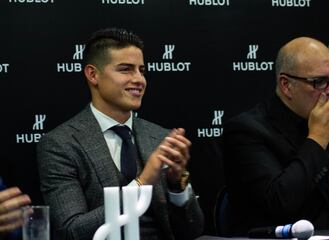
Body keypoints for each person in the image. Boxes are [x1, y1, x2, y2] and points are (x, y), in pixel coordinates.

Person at [37, 27, 204, 240]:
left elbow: (192, 231)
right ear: (93, 74)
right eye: (125, 69)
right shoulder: (60, 144)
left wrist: (176, 183)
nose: (139, 80)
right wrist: (142, 184)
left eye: (141, 70)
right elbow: (72, 231)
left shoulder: (160, 137)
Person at [222, 36, 329, 236]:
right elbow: (278, 203)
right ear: (286, 85)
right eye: (319, 82)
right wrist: (318, 138)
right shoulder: (246, 132)